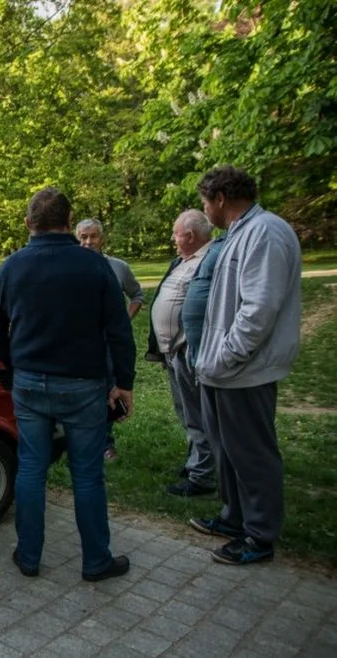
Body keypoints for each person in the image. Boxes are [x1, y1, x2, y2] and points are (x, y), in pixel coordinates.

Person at [0, 187, 136, 582]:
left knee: (31, 467)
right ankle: (96, 560)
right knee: (87, 474)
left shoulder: (12, 266)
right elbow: (120, 330)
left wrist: (17, 363)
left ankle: (28, 556)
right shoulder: (94, 266)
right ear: (69, 222)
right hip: (84, 384)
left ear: (28, 223)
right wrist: (124, 382)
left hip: (30, 383)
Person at [191, 166, 301, 566]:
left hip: (244, 371)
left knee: (252, 453)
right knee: (227, 450)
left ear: (220, 199)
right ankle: (233, 517)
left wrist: (226, 356)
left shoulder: (266, 233)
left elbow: (259, 309)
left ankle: (259, 535)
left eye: (206, 202)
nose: (205, 211)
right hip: (223, 371)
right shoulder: (239, 233)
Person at [145, 209, 216, 497]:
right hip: (173, 352)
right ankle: (196, 463)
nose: (173, 239)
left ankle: (203, 478)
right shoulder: (184, 261)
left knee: (198, 414)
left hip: (189, 351)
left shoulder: (211, 260)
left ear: (189, 235)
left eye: (175, 233)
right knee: (186, 411)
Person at [75, 218, 144, 460]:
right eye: (83, 237)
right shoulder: (70, 266)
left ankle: (106, 443)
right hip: (78, 341)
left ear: (102, 239)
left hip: (108, 341)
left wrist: (124, 319)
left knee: (108, 389)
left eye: (93, 236)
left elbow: (137, 295)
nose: (88, 242)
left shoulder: (118, 267)